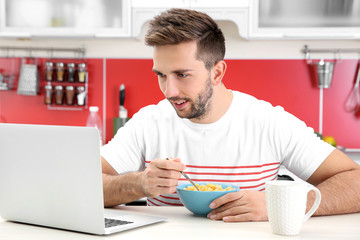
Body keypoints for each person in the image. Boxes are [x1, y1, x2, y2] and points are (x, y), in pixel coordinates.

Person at [101, 8, 360, 222]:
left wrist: (280, 206)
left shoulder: (268, 122)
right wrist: (140, 184)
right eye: (161, 75)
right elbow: (82, 183)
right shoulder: (149, 123)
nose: (169, 91)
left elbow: (355, 181)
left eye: (182, 75)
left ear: (217, 73)